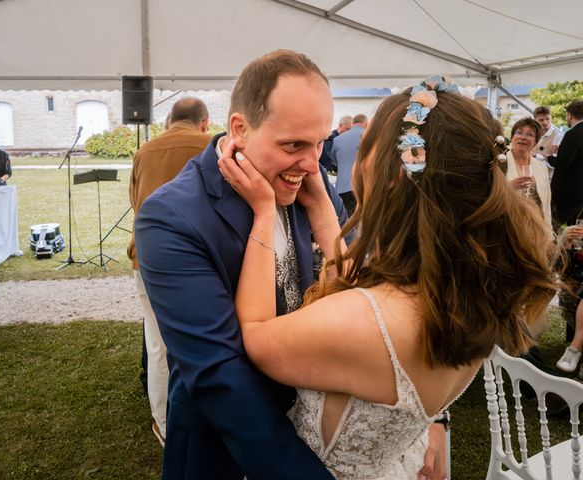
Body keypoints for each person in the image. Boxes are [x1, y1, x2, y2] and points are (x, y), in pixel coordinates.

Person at [219, 76, 557, 479]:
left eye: (365, 149)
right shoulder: (468, 285)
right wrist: (325, 216)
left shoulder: (367, 325)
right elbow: (366, 295)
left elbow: (255, 335)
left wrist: (262, 214)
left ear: (395, 174)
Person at [128, 97, 211, 446]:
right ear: (204, 123)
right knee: (207, 344)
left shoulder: (144, 151)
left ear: (168, 122)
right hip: (204, 260)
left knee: (158, 344)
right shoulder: (213, 146)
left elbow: (135, 202)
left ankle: (163, 424)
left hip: (148, 257)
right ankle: (209, 416)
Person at [506, 117, 552, 227]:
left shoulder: (541, 167)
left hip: (535, 226)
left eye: (530, 134)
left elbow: (546, 203)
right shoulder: (499, 162)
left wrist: (549, 232)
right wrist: (508, 187)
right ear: (512, 137)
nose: (523, 137)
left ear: (536, 141)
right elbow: (487, 193)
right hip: (508, 225)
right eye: (519, 133)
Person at [555, 220, 583, 375]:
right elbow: (559, 269)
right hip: (578, 289)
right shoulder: (577, 237)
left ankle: (575, 348)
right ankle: (575, 348)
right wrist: (565, 243)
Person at [549, 99, 583, 227]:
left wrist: (548, 157)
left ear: (569, 115)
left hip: (567, 195)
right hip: (580, 194)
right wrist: (562, 149)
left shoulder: (572, 134)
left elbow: (563, 163)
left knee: (552, 227)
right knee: (575, 231)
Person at [331, 113, 368, 216]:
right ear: (365, 123)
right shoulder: (370, 136)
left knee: (345, 219)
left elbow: (334, 161)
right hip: (363, 186)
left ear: (353, 123)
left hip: (342, 188)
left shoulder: (337, 139)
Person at [532, 106, 563, 177]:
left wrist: (537, 156)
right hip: (532, 177)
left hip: (548, 179)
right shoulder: (532, 135)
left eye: (547, 119)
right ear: (535, 120)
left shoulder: (558, 136)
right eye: (541, 120)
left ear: (551, 118)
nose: (545, 122)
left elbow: (558, 164)